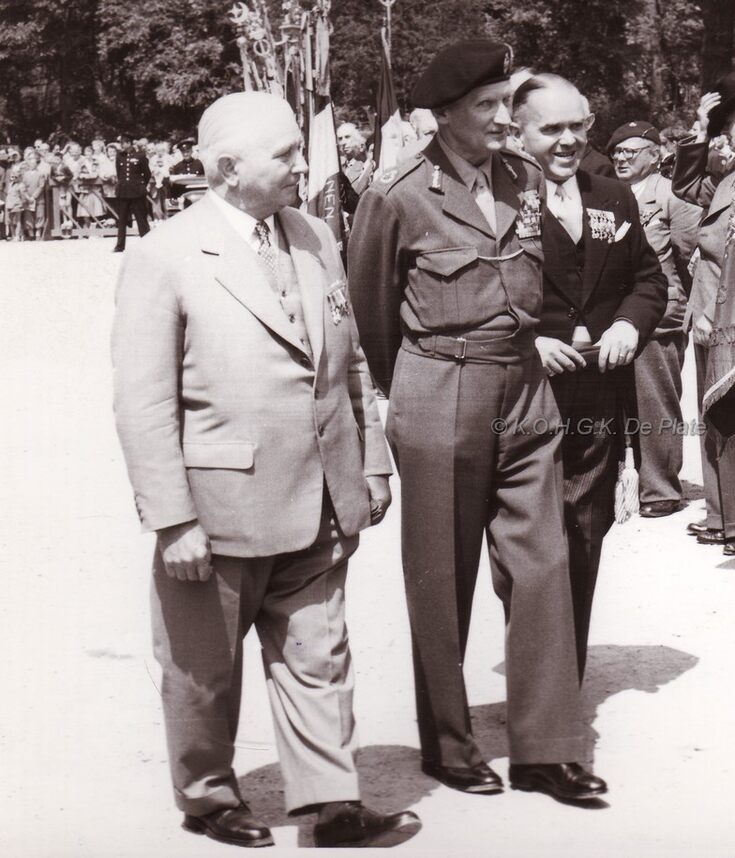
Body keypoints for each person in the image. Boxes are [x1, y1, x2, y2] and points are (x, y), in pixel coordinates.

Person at [110, 91, 420, 849]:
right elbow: (144, 402)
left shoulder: (313, 234)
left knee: (321, 656)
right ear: (226, 169)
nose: (302, 165)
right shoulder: (165, 254)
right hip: (218, 511)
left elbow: (348, 360)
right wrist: (172, 519)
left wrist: (371, 462)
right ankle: (208, 796)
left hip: (320, 498)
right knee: (202, 669)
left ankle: (332, 804)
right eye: (284, 154)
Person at [347, 40, 606, 803]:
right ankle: (448, 743)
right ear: (445, 115)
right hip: (441, 385)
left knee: (544, 564)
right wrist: (413, 389)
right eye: (486, 107)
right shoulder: (397, 194)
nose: (503, 119)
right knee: (442, 574)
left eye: (505, 103)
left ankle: (545, 750)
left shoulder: (524, 178)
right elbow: (370, 314)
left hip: (524, 387)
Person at [516, 78, 668, 677]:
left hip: (597, 393)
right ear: (519, 132)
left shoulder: (613, 196)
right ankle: (534, 666)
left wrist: (630, 323)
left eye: (577, 127)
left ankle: (565, 672)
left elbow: (648, 279)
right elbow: (480, 292)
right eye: (550, 129)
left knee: (585, 527)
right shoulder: (499, 200)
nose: (568, 140)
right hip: (525, 396)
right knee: (528, 536)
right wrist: (529, 339)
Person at [672, 69, 735, 556]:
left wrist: (714, 308)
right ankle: (721, 513)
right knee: (711, 415)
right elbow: (686, 186)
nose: (731, 132)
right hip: (707, 307)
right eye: (727, 124)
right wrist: (701, 130)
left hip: (732, 310)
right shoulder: (731, 176)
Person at [608, 119, 702, 518]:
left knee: (654, 400)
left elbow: (691, 256)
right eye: (617, 152)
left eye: (630, 152)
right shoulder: (608, 194)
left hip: (660, 315)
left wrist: (687, 309)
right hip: (614, 316)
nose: (621, 158)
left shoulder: (671, 196)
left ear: (655, 155)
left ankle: (660, 488)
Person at [112, 137, 152, 251]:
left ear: (129, 143)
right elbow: (119, 174)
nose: (122, 146)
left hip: (137, 192)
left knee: (141, 220)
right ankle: (120, 245)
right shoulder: (119, 156)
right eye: (121, 143)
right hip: (123, 192)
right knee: (122, 220)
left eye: (124, 143)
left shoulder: (140, 156)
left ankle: (147, 244)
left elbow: (147, 174)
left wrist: (140, 186)